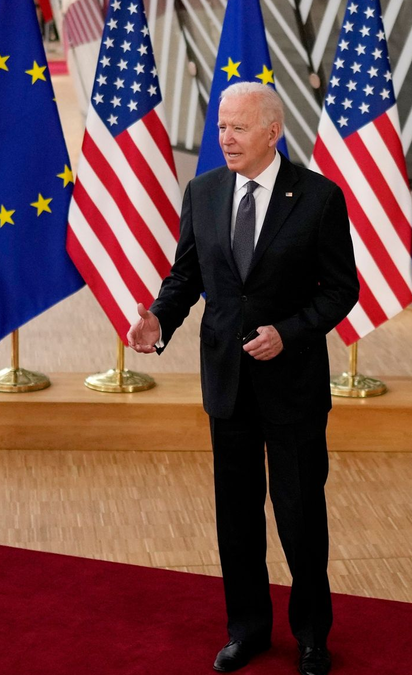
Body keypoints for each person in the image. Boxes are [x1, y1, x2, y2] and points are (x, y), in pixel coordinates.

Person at [127, 82, 358, 675]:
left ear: (272, 132)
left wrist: (291, 330)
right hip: (226, 383)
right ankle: (248, 629)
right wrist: (159, 316)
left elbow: (340, 290)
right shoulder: (202, 192)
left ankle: (311, 636)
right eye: (220, 126)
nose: (224, 137)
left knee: (300, 515)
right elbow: (187, 276)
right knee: (236, 516)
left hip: (293, 387)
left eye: (237, 127)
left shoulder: (318, 197)